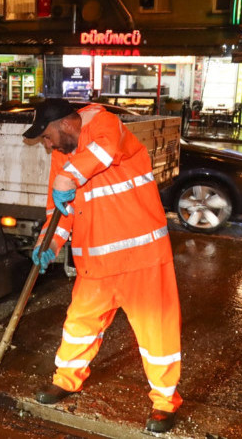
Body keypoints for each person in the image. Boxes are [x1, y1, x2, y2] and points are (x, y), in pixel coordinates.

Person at [22, 99, 182, 434]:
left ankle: (165, 402)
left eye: (47, 136)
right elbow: (58, 212)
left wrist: (67, 178)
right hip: (95, 262)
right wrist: (49, 244)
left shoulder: (106, 126)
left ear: (66, 124)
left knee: (157, 331)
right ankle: (66, 380)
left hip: (141, 259)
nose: (47, 145)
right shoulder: (62, 157)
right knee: (79, 325)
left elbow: (103, 152)